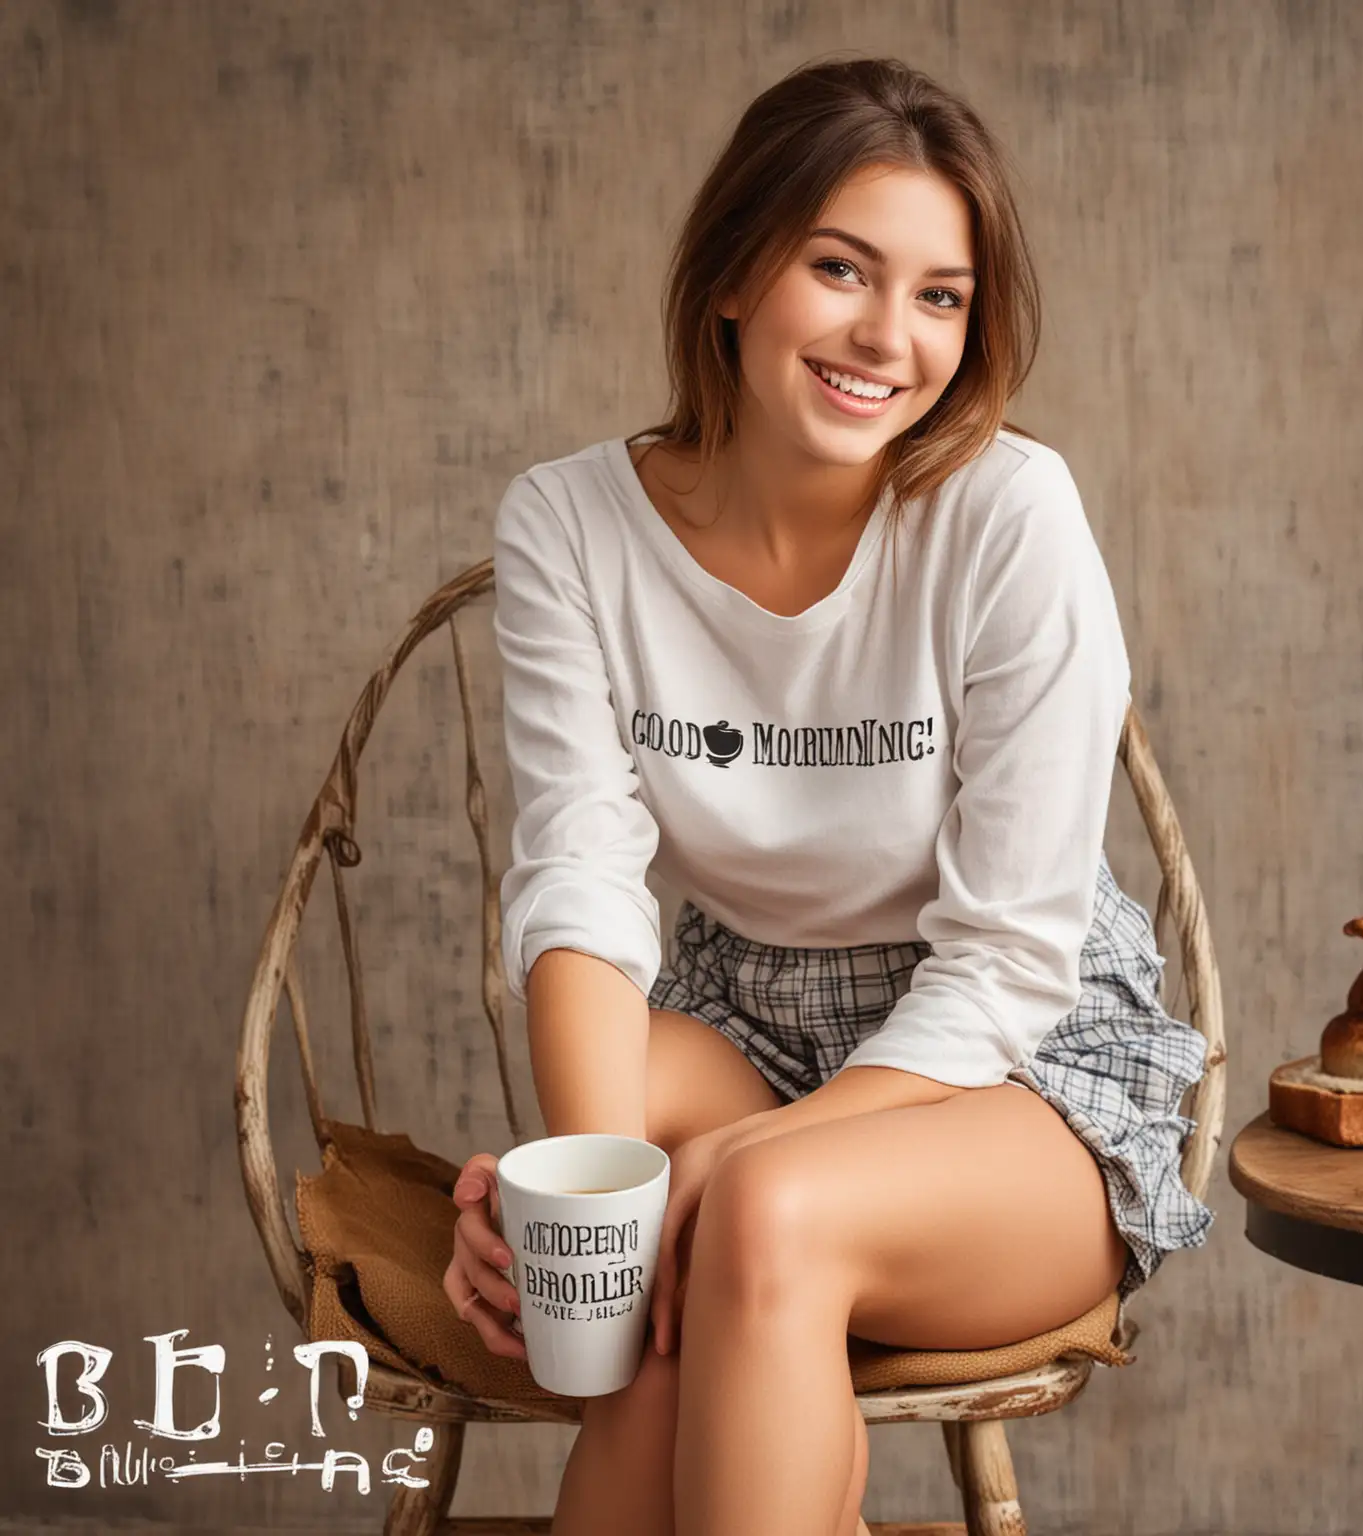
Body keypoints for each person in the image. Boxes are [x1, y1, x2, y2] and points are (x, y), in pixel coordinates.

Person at [442, 53, 1213, 1536]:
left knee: (759, 1215)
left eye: (941, 295)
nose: (890, 337)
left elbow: (1006, 955)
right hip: (751, 1010)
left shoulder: (1006, 515)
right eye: (841, 269)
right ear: (734, 271)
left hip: (1017, 1061)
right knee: (630, 1268)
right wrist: (583, 1218)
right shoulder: (570, 522)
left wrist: (736, 1162)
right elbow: (581, 877)